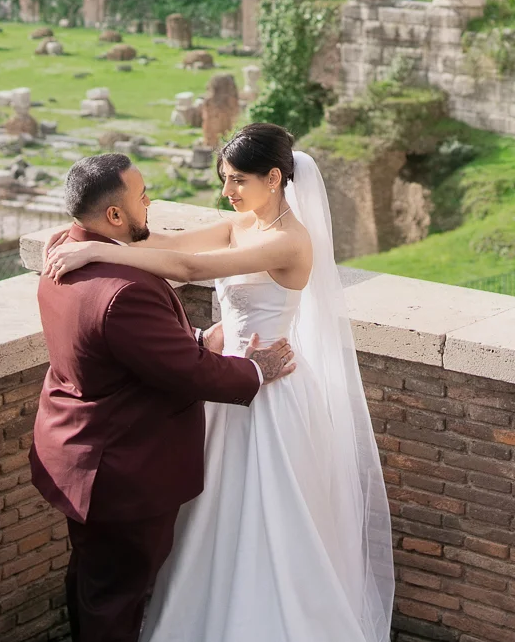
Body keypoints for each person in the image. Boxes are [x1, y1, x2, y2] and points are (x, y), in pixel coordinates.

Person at [43, 124, 394, 641]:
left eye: (236, 181)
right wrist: (92, 237)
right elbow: (164, 242)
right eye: (224, 179)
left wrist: (97, 254)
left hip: (270, 390)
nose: (226, 193)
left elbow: (185, 267)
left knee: (269, 512)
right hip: (225, 385)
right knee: (214, 516)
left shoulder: (288, 241)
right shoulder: (241, 223)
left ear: (274, 178)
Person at [30, 152, 296, 642]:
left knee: (93, 578)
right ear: (114, 216)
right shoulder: (122, 288)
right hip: (120, 466)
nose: (150, 201)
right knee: (117, 594)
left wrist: (194, 338)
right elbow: (187, 374)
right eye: (142, 195)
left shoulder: (65, 247)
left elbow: (117, 349)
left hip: (74, 447)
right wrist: (255, 371)